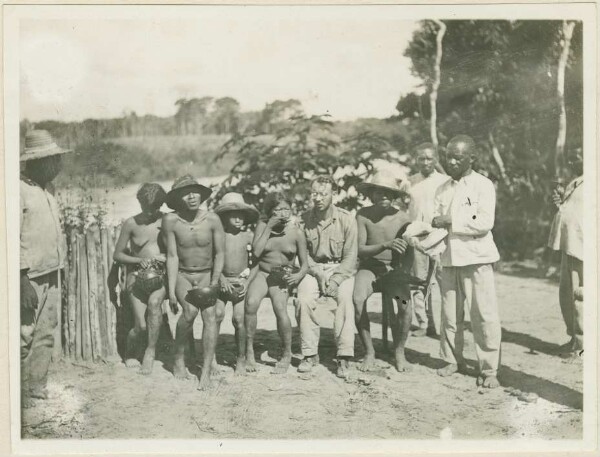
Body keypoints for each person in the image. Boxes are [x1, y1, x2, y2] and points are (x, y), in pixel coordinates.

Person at [432, 135, 501, 389]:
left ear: (472, 158)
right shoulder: (442, 188)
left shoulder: (483, 186)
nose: (451, 162)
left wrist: (450, 220)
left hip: (477, 257)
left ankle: (489, 368)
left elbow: (483, 223)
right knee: (450, 314)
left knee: (483, 315)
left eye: (457, 157)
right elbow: (436, 221)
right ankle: (451, 359)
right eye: (448, 156)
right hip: (449, 257)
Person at [20, 130, 71, 407]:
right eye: (54, 160)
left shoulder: (48, 189)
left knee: (45, 332)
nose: (58, 166)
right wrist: (21, 279)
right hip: (29, 277)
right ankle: (14, 393)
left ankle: (36, 386)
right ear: (37, 161)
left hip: (52, 271)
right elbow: (9, 238)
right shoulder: (17, 189)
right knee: (22, 335)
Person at [162, 175, 225, 390]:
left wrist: (215, 281)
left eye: (195, 191)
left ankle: (205, 371)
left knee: (210, 315)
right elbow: (172, 256)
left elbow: (220, 253)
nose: (192, 196)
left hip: (207, 273)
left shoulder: (213, 219)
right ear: (179, 197)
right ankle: (178, 357)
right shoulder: (171, 221)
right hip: (183, 274)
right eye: (186, 193)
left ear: (202, 194)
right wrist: (171, 291)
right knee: (189, 312)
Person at [296, 176, 358, 378]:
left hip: (340, 269)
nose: (318, 198)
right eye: (314, 193)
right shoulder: (303, 220)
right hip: (313, 268)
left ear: (334, 194)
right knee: (303, 299)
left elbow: (350, 257)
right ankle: (309, 353)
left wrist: (336, 279)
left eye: (323, 194)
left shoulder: (347, 219)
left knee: (346, 300)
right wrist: (317, 273)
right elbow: (302, 254)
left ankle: (344, 356)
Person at [354, 171, 414, 373]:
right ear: (371, 194)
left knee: (406, 306)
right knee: (357, 300)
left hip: (393, 272)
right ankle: (369, 351)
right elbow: (360, 249)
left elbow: (410, 252)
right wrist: (385, 245)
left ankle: (399, 351)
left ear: (396, 196)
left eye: (388, 193)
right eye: (379, 192)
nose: (384, 197)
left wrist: (402, 272)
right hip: (370, 268)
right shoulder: (363, 215)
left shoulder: (404, 219)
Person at [245, 192, 308, 374]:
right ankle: (249, 350)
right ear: (270, 211)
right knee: (251, 303)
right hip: (263, 273)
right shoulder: (262, 226)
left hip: (282, 276)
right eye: (278, 209)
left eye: (286, 209)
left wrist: (297, 277)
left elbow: (304, 265)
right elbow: (256, 253)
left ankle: (286, 353)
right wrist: (268, 228)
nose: (283, 213)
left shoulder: (296, 232)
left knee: (280, 308)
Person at [113, 183, 168, 374]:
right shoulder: (131, 224)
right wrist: (140, 260)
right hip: (136, 276)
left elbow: (176, 249)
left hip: (160, 276)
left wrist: (166, 258)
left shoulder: (166, 221)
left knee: (155, 304)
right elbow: (117, 255)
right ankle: (129, 354)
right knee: (141, 326)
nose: (151, 212)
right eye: (147, 207)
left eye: (156, 208)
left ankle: (150, 353)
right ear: (140, 203)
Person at [214, 192, 259, 375]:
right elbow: (212, 260)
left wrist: (247, 282)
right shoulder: (218, 236)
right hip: (222, 282)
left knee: (239, 319)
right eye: (233, 215)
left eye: (241, 215)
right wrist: (220, 278)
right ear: (224, 217)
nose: (238, 219)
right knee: (216, 315)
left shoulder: (248, 236)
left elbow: (256, 263)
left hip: (241, 282)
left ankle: (241, 357)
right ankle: (212, 358)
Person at [408, 143, 449, 337]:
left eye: (429, 158)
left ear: (436, 159)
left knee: (443, 281)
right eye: (421, 158)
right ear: (416, 160)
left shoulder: (446, 181)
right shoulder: (409, 183)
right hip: (417, 239)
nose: (425, 162)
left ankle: (444, 326)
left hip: (440, 238)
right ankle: (424, 324)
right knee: (418, 282)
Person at [547, 148, 583, 361]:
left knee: (580, 295)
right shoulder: (575, 182)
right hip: (569, 245)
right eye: (570, 158)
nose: (572, 162)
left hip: (583, 246)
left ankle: (582, 346)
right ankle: (573, 338)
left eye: (576, 157)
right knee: (566, 293)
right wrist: (561, 200)